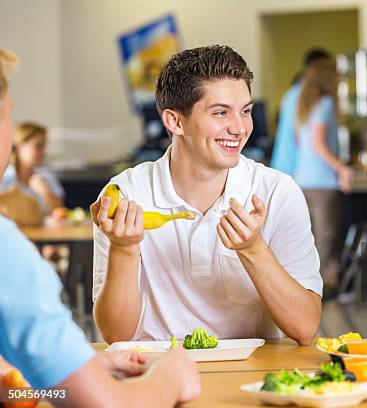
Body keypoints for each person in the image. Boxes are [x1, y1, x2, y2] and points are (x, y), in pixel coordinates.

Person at [0, 47, 200, 407]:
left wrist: (80, 368)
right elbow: (108, 406)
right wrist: (171, 376)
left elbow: (9, 388)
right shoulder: (6, 253)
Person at [91, 45, 322, 345]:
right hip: (155, 375)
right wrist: (124, 249)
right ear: (175, 121)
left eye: (246, 111)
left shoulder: (276, 192)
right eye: (221, 113)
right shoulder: (127, 194)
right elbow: (115, 335)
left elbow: (305, 328)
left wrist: (253, 250)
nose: (240, 128)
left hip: (250, 376)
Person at [293, 60, 352, 289]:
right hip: (322, 182)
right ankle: (319, 289)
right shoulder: (326, 103)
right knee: (325, 238)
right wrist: (341, 167)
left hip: (302, 179)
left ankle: (305, 286)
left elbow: (301, 141)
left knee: (307, 238)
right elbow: (317, 144)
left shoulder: (304, 106)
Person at [270, 48, 331, 176]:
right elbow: (301, 137)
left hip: (283, 165)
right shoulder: (306, 96)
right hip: (294, 168)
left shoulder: (291, 94)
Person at [0, 122, 64, 215]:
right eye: (38, 146)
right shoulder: (4, 179)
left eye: (44, 146)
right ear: (20, 146)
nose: (44, 151)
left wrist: (45, 191)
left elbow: (59, 212)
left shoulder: (46, 175)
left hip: (45, 230)